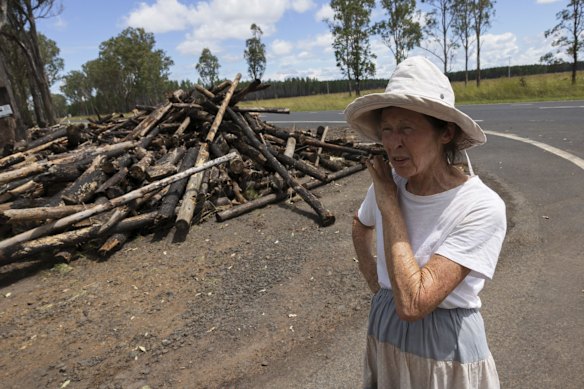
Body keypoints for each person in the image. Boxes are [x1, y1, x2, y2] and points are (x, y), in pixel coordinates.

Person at [345, 56, 507, 389]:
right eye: (387, 130)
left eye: (407, 129)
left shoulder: (480, 206)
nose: (393, 143)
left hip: (445, 347)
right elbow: (360, 226)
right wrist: (380, 290)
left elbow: (414, 302)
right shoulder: (389, 183)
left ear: (445, 132)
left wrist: (389, 201)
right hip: (386, 330)